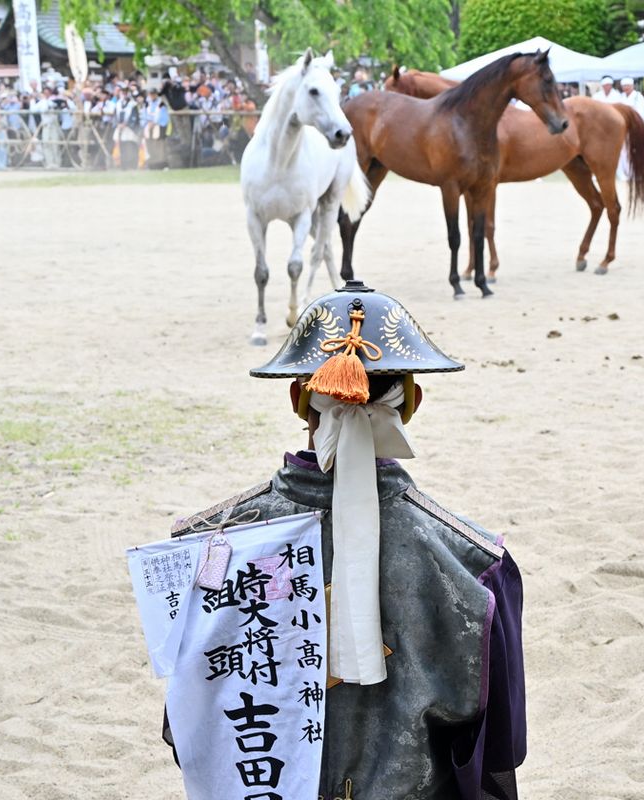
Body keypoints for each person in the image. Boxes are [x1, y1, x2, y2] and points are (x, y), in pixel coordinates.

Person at [166, 282, 526, 800]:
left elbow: (186, 731)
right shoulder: (475, 566)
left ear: (297, 398)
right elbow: (499, 752)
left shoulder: (201, 552)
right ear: (413, 401)